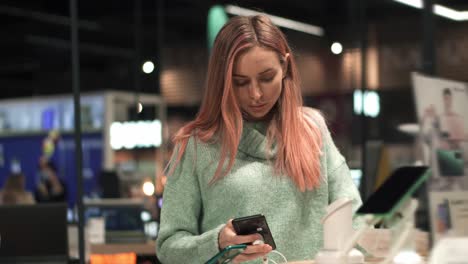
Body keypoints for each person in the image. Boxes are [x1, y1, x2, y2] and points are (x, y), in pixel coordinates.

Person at [156, 15, 362, 263]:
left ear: (285, 67)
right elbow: (169, 247)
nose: (255, 94)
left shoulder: (312, 129)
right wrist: (218, 242)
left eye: (266, 78)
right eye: (240, 82)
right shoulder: (197, 146)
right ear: (223, 81)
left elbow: (354, 215)